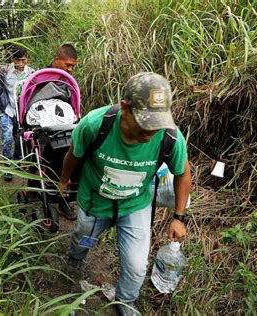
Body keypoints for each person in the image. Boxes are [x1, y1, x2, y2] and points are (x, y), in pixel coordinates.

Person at [58, 72, 192, 316]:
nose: (151, 131)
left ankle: (125, 302)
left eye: (156, 123)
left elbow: (183, 174)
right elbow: (73, 155)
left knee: (137, 266)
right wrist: (64, 182)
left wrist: (179, 216)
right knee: (81, 238)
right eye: (145, 122)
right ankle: (74, 262)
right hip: (95, 201)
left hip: (135, 204)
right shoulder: (95, 124)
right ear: (124, 108)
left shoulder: (170, 136)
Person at [0, 46, 34, 181]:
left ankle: (17, 158)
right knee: (7, 137)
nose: (20, 64)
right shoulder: (4, 71)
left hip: (23, 111)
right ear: (12, 59)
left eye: (23, 60)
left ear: (27, 59)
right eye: (17, 60)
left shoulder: (32, 73)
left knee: (19, 137)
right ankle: (7, 166)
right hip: (7, 109)